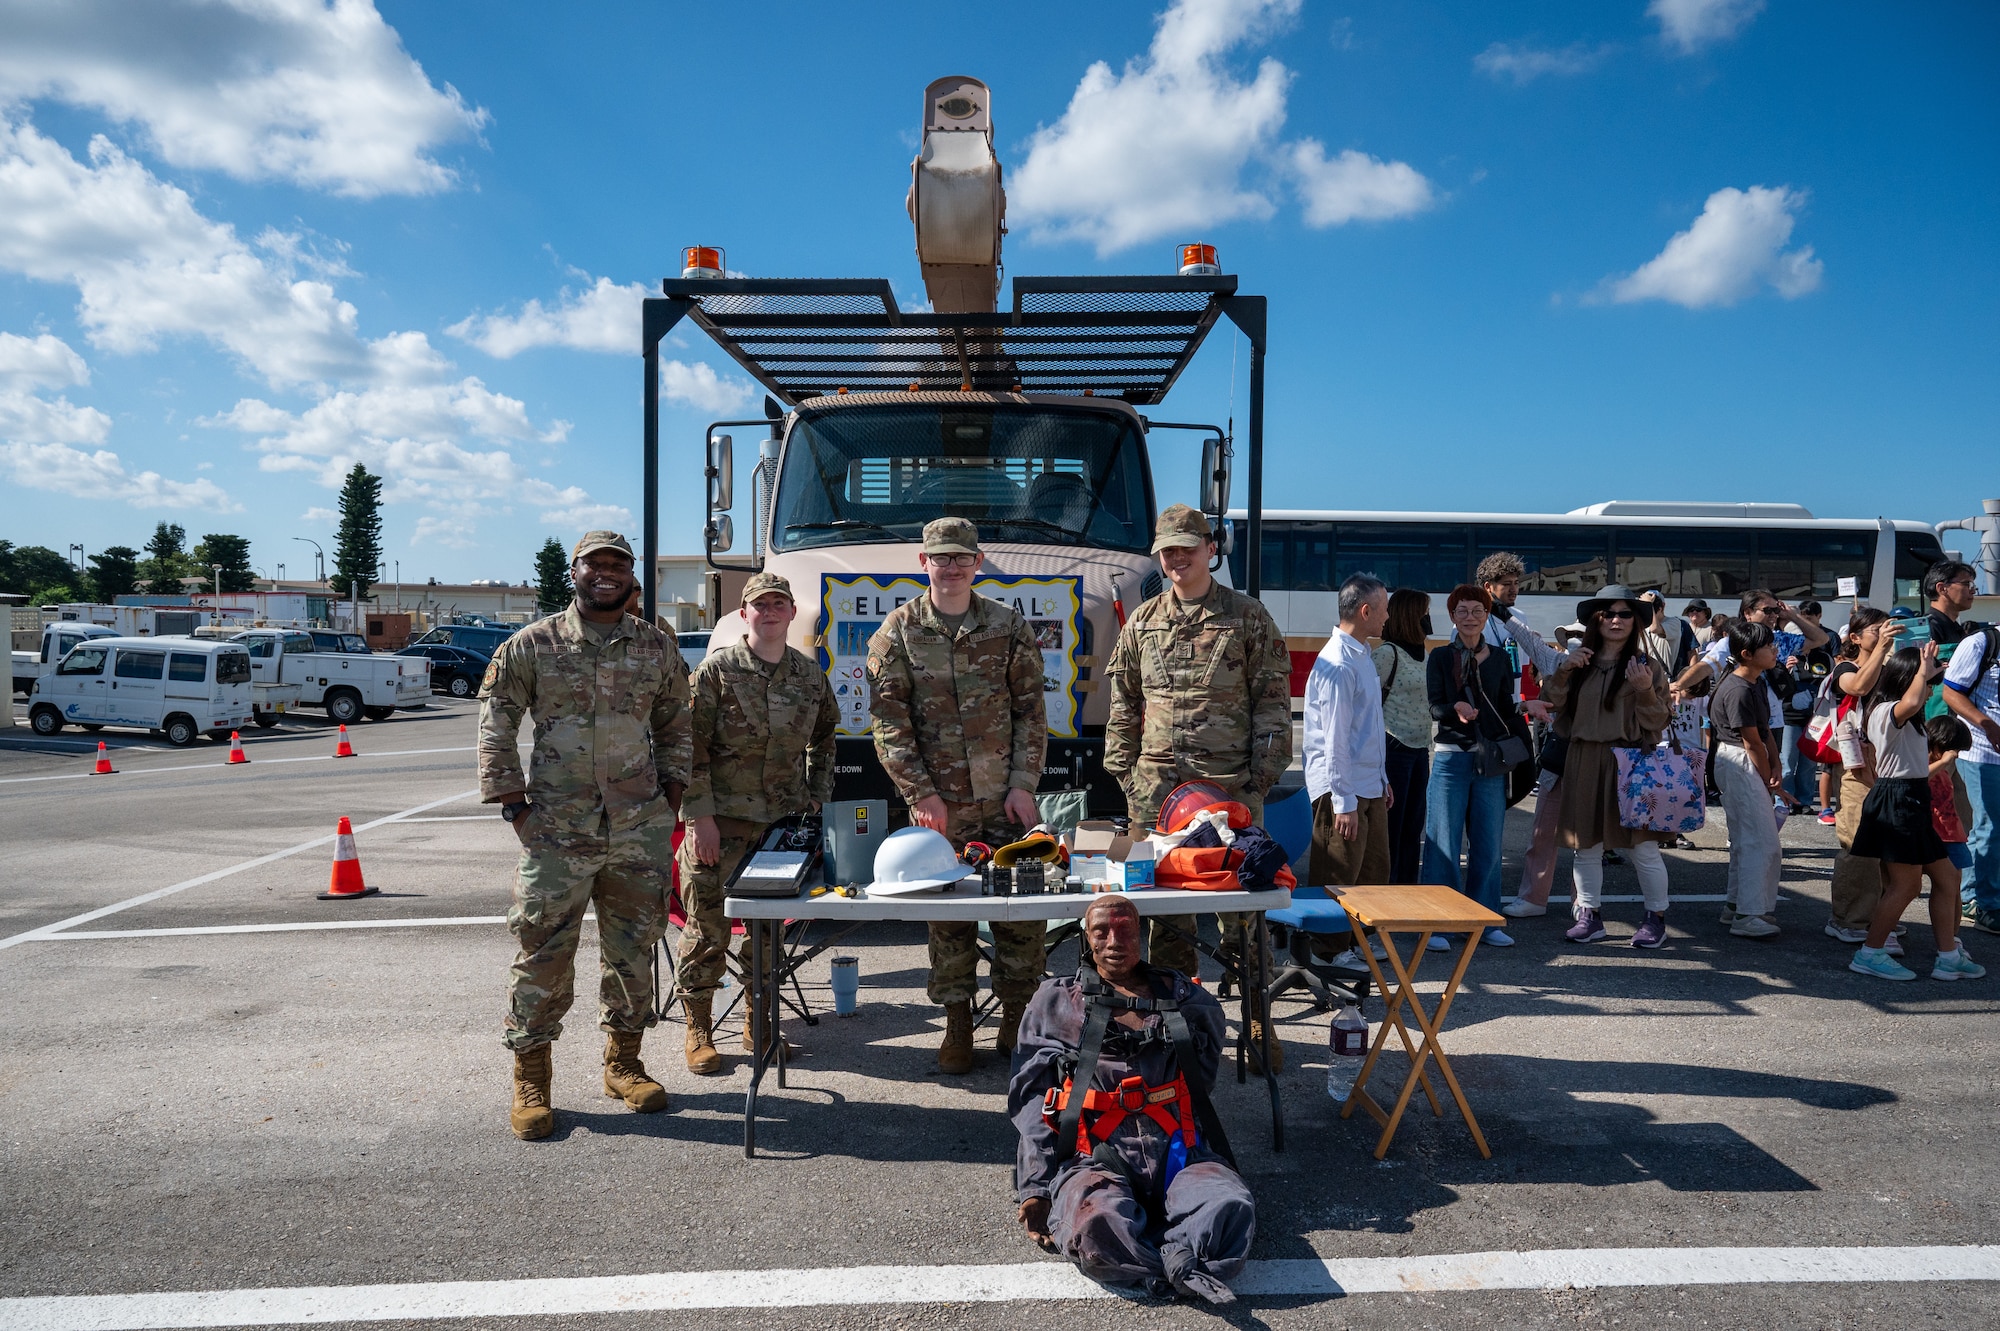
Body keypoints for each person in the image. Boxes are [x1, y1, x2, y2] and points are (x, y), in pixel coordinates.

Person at [479, 531, 690, 1140]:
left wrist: (672, 795)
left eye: (617, 565)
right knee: (542, 952)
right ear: (574, 572)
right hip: (556, 831)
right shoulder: (533, 644)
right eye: (595, 564)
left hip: (638, 828)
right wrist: (515, 808)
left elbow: (677, 721)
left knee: (635, 950)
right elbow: (496, 723)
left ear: (631, 576)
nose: (606, 573)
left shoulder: (656, 645)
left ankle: (624, 1064)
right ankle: (532, 1077)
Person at [1103, 503, 1291, 1061]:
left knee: (1243, 917)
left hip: (1228, 794)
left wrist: (1257, 785)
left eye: (1187, 547)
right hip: (1156, 797)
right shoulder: (1143, 621)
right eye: (1167, 551)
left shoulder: (1247, 616)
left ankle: (1257, 1024)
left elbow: (1273, 705)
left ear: (1211, 549)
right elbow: (1123, 705)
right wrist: (1127, 778)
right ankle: (1175, 1033)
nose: (1177, 558)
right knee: (1165, 920)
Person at [868, 517, 1049, 1075]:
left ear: (978, 562)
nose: (951, 567)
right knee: (948, 920)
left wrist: (1023, 784)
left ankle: (1016, 1018)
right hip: (939, 808)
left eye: (961, 557)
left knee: (1020, 914)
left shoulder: (1008, 626)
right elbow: (889, 723)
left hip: (1005, 801)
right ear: (923, 562)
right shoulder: (898, 631)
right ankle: (957, 1024)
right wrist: (921, 793)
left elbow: (1031, 712)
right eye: (940, 557)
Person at [1010, 894, 1253, 1305]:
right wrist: (1035, 1186)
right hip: (1096, 1156)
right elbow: (1033, 1097)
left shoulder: (1185, 999)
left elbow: (1204, 1073)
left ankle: (1165, 1262)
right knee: (1094, 1226)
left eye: (1124, 930)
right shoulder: (1056, 1002)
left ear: (1140, 935)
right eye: (1101, 932)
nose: (1113, 942)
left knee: (1231, 1209)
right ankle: (1177, 1266)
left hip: (1180, 1152)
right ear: (1087, 938)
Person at [676, 572, 839, 1074]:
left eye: (778, 604)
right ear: (743, 614)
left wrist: (817, 797)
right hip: (720, 827)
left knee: (767, 938)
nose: (769, 612)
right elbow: (689, 748)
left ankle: (760, 1021)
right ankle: (699, 1029)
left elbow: (825, 738)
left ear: (791, 613)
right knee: (707, 933)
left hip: (779, 832)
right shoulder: (715, 672)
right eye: (759, 605)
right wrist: (699, 818)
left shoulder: (809, 675)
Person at [1540, 588, 1677, 947]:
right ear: (1596, 620)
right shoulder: (1579, 662)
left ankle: (1656, 918)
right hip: (1584, 759)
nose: (1616, 620)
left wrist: (1644, 689)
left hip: (1632, 761)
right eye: (1608, 613)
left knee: (1643, 848)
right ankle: (1589, 916)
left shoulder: (1647, 667)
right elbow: (1550, 704)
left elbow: (1658, 721)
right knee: (1585, 845)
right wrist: (1564, 671)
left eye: (1625, 614)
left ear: (1636, 622)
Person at [1848, 646, 1984, 981]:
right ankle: (1870, 953)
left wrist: (1929, 673)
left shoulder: (1912, 718)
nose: (1931, 690)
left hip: (1912, 799)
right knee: (1906, 886)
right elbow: (1909, 702)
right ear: (1908, 679)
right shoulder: (1887, 710)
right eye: (1927, 682)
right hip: (1897, 800)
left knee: (1948, 877)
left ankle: (1948, 957)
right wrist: (1923, 671)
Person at [1471, 554, 1569, 920]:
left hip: (1514, 714)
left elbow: (1536, 661)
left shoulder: (1518, 619)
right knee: (1491, 791)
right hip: (1487, 718)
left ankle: (1484, 820)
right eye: (1507, 585)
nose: (1514, 590)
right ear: (1488, 588)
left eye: (1517, 584)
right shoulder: (1475, 620)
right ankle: (1481, 835)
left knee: (1526, 778)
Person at [1422, 584, 1519, 948]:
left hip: (1490, 759)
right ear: (1452, 616)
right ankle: (1438, 923)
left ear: (1486, 615)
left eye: (1477, 611)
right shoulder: (1440, 657)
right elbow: (1434, 707)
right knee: (1443, 843)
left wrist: (1528, 707)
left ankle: (1485, 921)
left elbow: (1505, 706)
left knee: (1489, 844)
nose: (1470, 617)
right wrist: (1455, 709)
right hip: (1451, 757)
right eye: (1462, 611)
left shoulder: (1500, 658)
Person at [1305, 574, 1390, 888]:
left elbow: (1366, 728)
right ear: (1365, 612)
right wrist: (1342, 802)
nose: (1388, 616)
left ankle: (1359, 934)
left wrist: (1381, 779)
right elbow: (1335, 740)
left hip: (1366, 787)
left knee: (1372, 882)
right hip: (1343, 792)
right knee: (1337, 883)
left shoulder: (1360, 654)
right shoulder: (1339, 663)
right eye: (1385, 608)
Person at [1823, 608, 1901, 945]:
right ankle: (1848, 918)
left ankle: (1880, 915)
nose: (1884, 632)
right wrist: (1882, 649)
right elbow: (1857, 687)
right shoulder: (1845, 668)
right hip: (1854, 765)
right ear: (1854, 637)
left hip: (1889, 761)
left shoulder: (1890, 669)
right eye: (1876, 629)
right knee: (1857, 841)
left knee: (1887, 845)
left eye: (1887, 627)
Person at [1709, 620, 1784, 940]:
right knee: (1761, 842)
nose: (1774, 650)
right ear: (1746, 654)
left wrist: (1776, 765)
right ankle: (1747, 914)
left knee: (1747, 840)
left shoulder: (1754, 681)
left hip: (1745, 760)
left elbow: (1764, 732)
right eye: (1767, 646)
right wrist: (1769, 779)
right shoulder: (1738, 688)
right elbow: (1752, 741)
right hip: (1739, 760)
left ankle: (1736, 905)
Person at [1943, 614, 2000, 936]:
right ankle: (1982, 903)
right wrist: (1987, 725)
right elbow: (1952, 693)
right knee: (1990, 827)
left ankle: (1978, 894)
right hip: (1983, 752)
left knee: (1991, 829)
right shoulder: (1982, 643)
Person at [1374, 588, 1434, 883]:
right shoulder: (1387, 654)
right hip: (1394, 749)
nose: (1428, 619)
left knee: (1413, 827)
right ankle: (1387, 889)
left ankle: (1407, 889)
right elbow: (1366, 704)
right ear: (1411, 615)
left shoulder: (1425, 654)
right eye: (1424, 613)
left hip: (1420, 750)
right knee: (1392, 828)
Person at [1925, 560, 1978, 648]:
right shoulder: (1928, 629)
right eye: (1967, 584)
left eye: (1973, 586)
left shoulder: (1954, 628)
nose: (1973, 591)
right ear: (1942, 588)